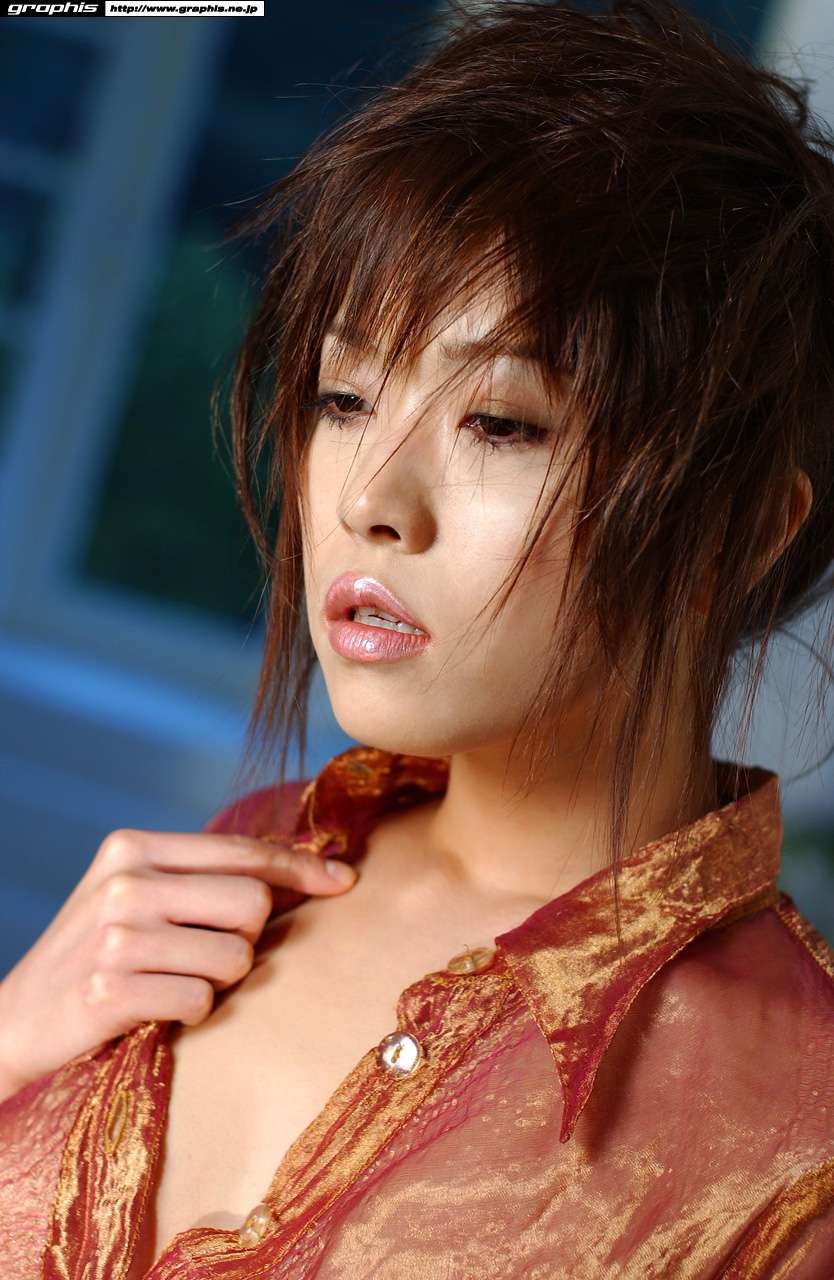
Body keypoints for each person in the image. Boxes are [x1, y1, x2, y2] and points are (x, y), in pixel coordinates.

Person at [1, 0, 834, 1274]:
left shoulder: (790, 1137)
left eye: (500, 423)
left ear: (733, 528)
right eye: (343, 396)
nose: (367, 501)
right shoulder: (224, 876)